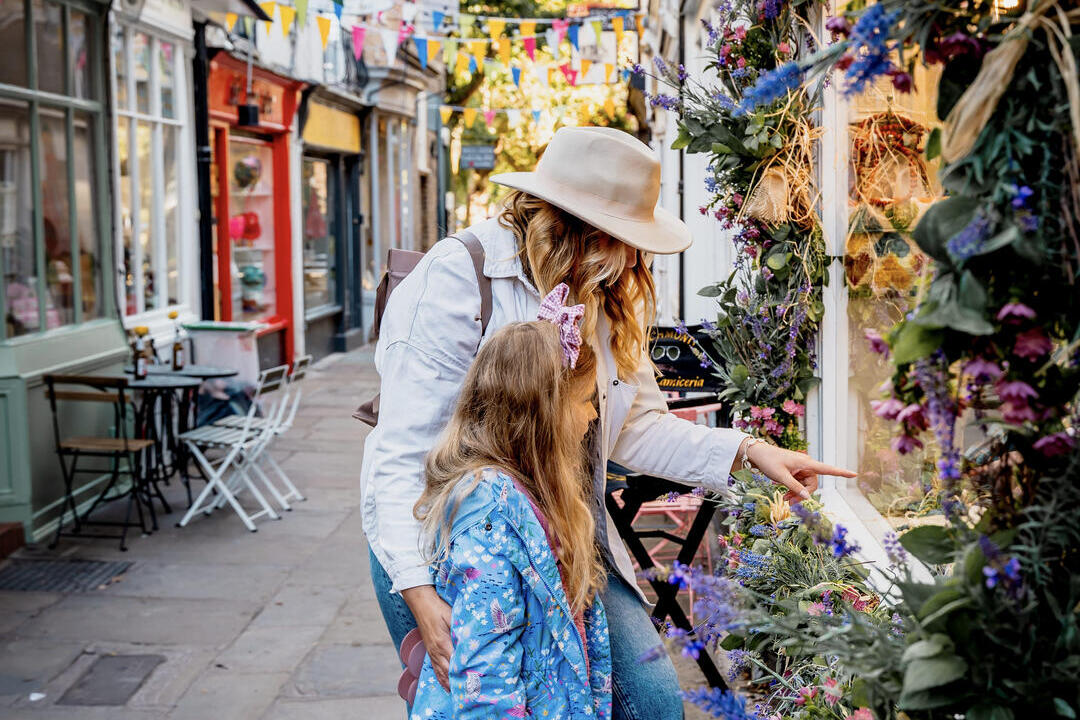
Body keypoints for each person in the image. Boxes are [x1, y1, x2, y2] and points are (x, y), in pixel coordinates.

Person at [362, 126, 855, 720]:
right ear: (576, 228)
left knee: (648, 704)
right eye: (624, 240)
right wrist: (418, 590)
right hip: (458, 547)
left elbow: (637, 426)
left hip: (568, 533)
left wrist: (748, 451)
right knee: (493, 703)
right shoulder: (457, 277)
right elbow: (399, 456)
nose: (633, 260)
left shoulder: (600, 293)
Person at [410, 289, 610, 718]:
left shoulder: (529, 495)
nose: (592, 415)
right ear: (547, 415)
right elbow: (486, 678)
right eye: (584, 400)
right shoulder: (489, 516)